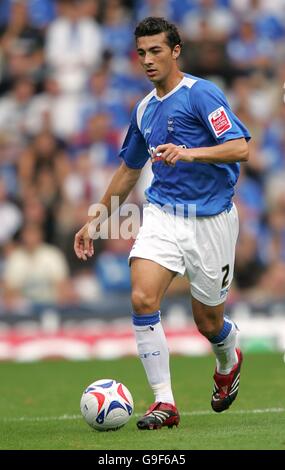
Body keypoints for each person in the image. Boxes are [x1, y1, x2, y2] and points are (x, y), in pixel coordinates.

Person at [74, 17, 251, 430]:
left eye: (156, 51)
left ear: (175, 51)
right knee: (142, 298)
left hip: (211, 221)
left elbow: (241, 147)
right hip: (164, 214)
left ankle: (229, 356)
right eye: (141, 53)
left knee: (208, 323)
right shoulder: (144, 109)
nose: (148, 60)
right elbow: (129, 171)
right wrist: (96, 222)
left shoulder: (201, 94)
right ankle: (164, 402)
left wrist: (190, 153)